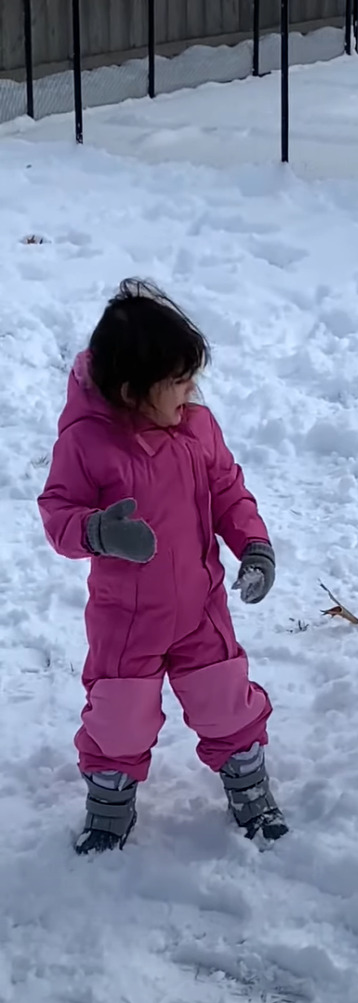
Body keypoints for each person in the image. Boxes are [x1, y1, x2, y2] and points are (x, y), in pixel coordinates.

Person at [37, 278, 287, 854]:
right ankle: (109, 801)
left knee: (226, 701)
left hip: (201, 605)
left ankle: (248, 783)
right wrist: (97, 531)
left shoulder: (196, 428)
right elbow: (58, 513)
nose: (191, 391)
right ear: (131, 391)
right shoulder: (87, 443)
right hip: (127, 618)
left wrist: (254, 544)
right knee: (119, 718)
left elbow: (228, 489)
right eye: (177, 382)